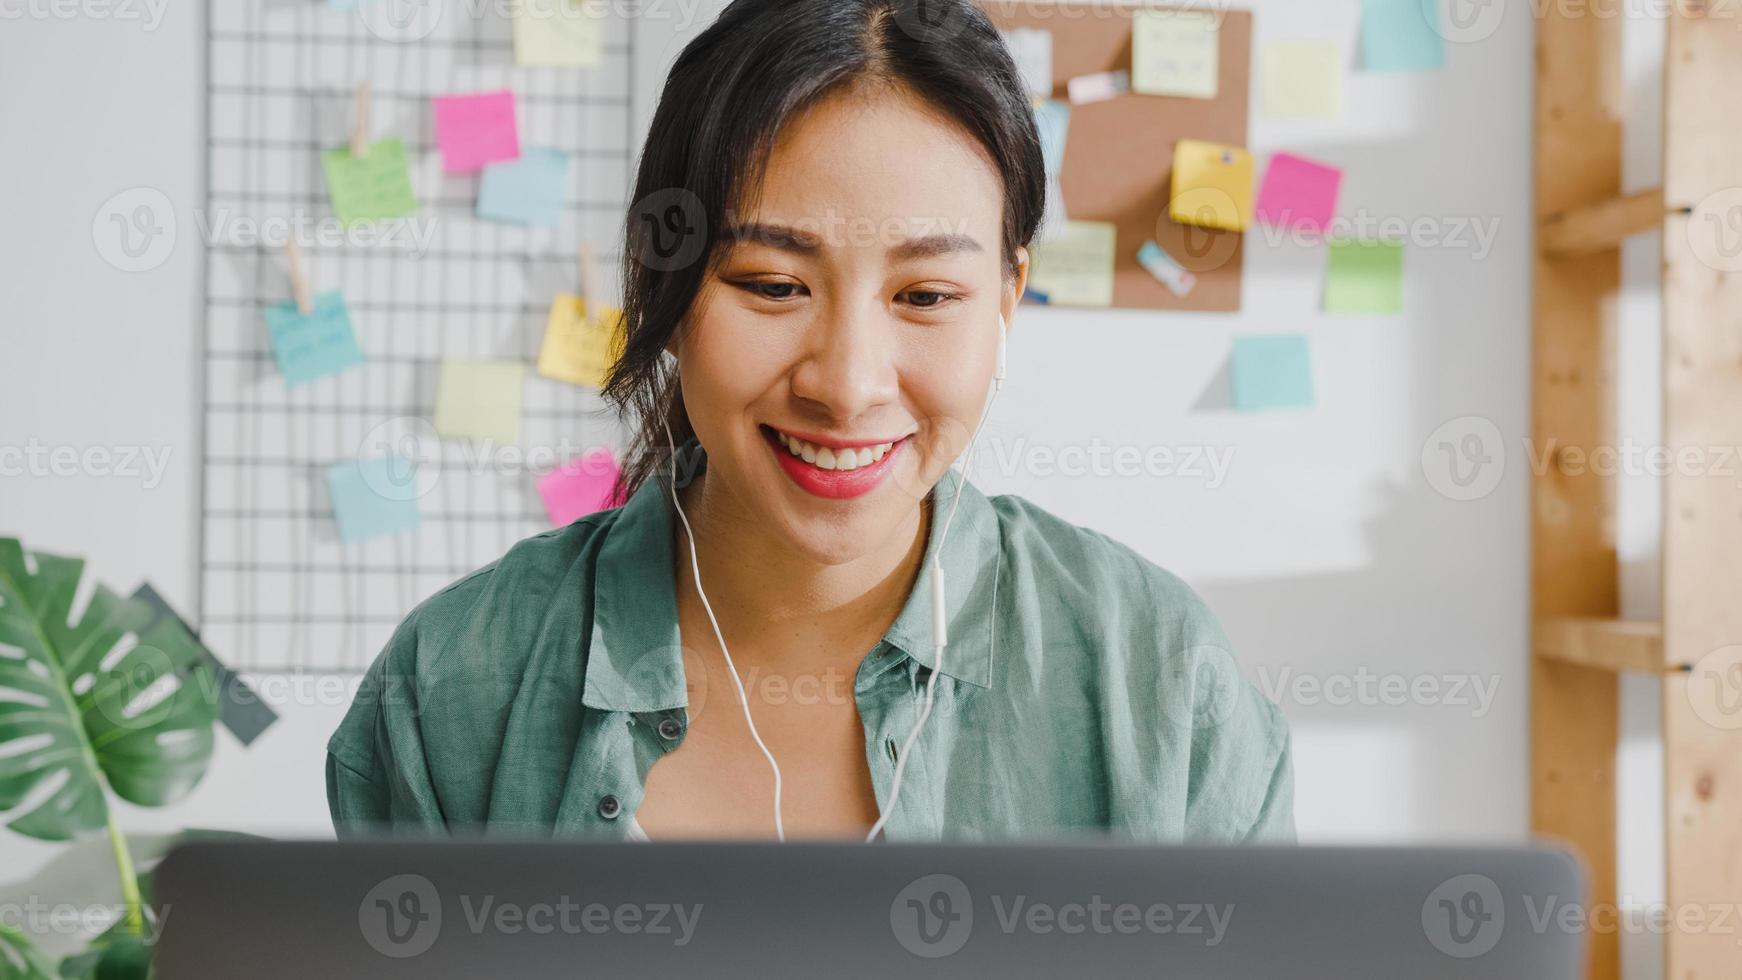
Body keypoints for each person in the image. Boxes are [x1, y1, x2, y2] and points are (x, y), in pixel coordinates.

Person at [326, 0, 1293, 844]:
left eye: (924, 296)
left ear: (1006, 301)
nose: (849, 383)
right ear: (660, 278)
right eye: (774, 285)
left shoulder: (1161, 684)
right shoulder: (452, 685)